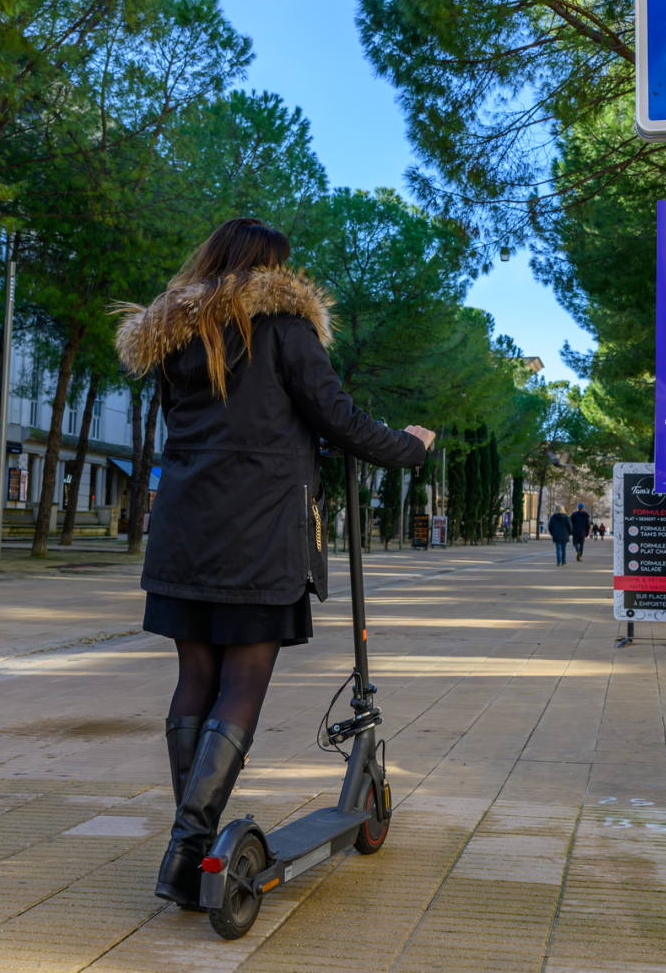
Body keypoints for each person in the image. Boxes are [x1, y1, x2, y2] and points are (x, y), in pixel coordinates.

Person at [116, 218, 434, 911]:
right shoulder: (286, 330)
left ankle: (186, 851)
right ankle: (185, 850)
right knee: (242, 682)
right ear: (273, 269)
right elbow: (340, 420)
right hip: (256, 533)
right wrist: (409, 446)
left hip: (183, 528)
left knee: (194, 677)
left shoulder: (175, 339)